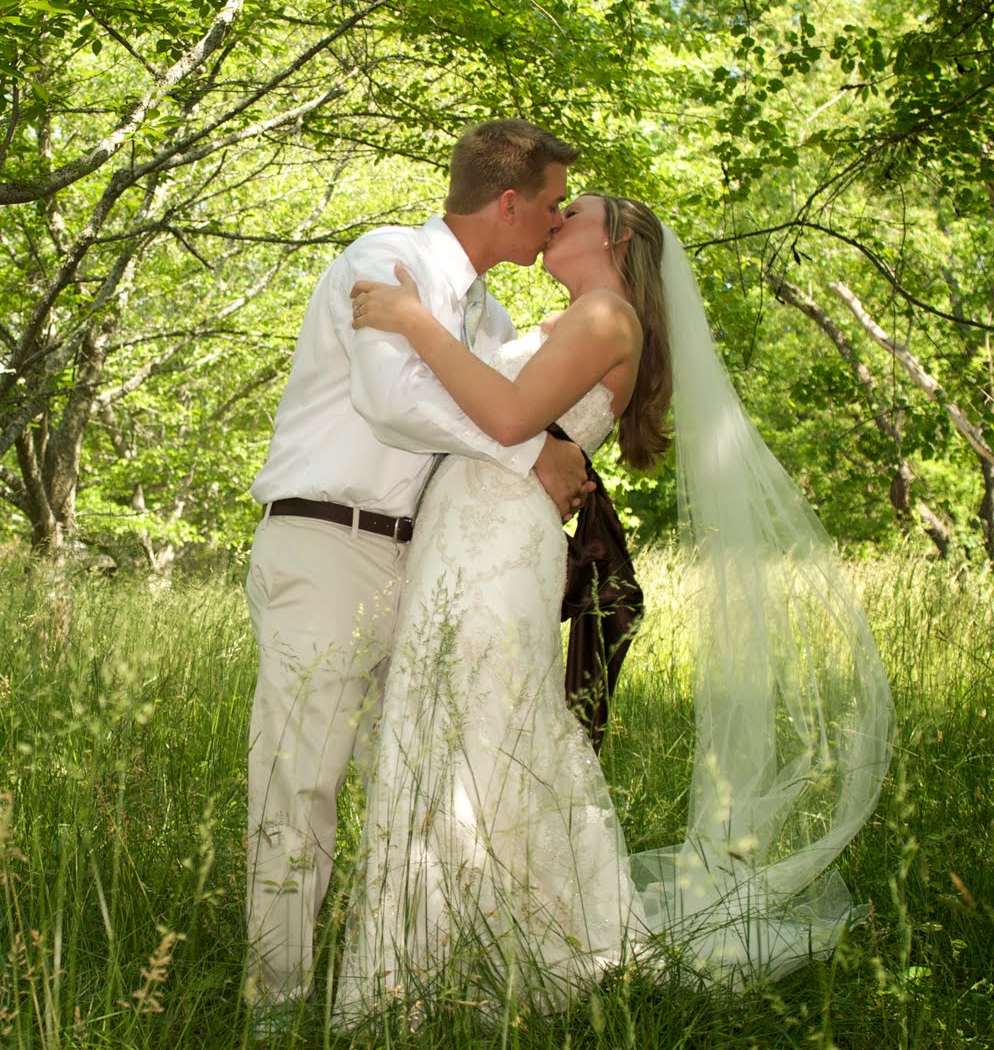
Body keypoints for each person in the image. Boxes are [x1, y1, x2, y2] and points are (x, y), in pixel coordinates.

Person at [332, 194, 895, 1025]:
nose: (555, 217)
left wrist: (412, 319)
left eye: (577, 210)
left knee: (489, 717)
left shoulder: (606, 315)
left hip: (498, 541)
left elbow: (509, 416)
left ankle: (516, 949)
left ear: (618, 237)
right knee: (445, 717)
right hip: (465, 531)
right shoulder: (571, 317)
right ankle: (430, 951)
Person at [243, 120, 592, 1018]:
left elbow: (495, 406)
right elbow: (392, 398)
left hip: (425, 565)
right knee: (300, 782)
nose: (556, 223)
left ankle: (405, 990)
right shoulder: (387, 257)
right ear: (507, 202)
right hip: (327, 544)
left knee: (423, 781)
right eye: (551, 205)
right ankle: (274, 1007)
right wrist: (530, 454)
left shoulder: (493, 313)